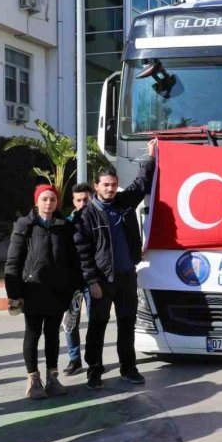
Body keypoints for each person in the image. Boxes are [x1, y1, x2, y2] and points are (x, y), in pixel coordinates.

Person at [74, 139, 157, 390]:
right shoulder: (85, 215)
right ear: (96, 187)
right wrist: (92, 282)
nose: (110, 189)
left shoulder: (123, 203)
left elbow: (142, 184)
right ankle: (94, 371)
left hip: (126, 276)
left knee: (126, 323)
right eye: (106, 185)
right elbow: (83, 252)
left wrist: (151, 156)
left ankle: (129, 368)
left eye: (113, 185)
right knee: (97, 327)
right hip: (102, 281)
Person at [4, 185, 82, 399]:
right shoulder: (24, 225)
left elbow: (73, 261)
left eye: (53, 200)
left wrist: (74, 287)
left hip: (58, 292)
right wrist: (15, 293)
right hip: (32, 291)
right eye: (45, 199)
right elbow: (13, 261)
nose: (49, 204)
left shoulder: (64, 227)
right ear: (36, 202)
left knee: (52, 335)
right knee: (33, 334)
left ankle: (52, 377)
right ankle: (33, 379)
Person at [63, 182, 94, 376]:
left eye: (85, 199)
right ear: (73, 202)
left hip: (93, 281)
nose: (82, 203)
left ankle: (93, 361)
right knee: (70, 322)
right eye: (78, 200)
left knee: (95, 322)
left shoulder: (100, 219)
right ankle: (74, 360)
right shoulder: (67, 223)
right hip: (73, 282)